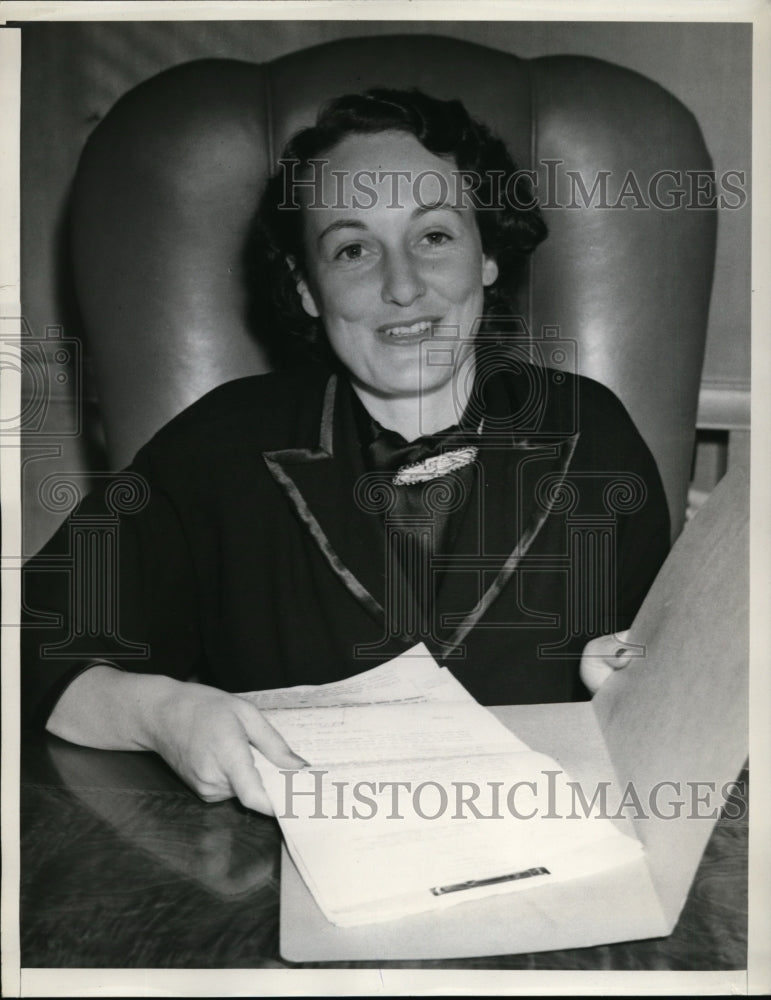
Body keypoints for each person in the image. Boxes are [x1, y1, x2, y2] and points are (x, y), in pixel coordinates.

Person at [21, 89, 670, 817]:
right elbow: (29, 638)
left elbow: (674, 676)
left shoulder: (592, 433)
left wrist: (625, 681)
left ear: (486, 255)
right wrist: (163, 715)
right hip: (270, 885)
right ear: (304, 286)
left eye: (434, 237)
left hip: (557, 869)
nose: (402, 287)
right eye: (353, 249)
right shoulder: (220, 448)